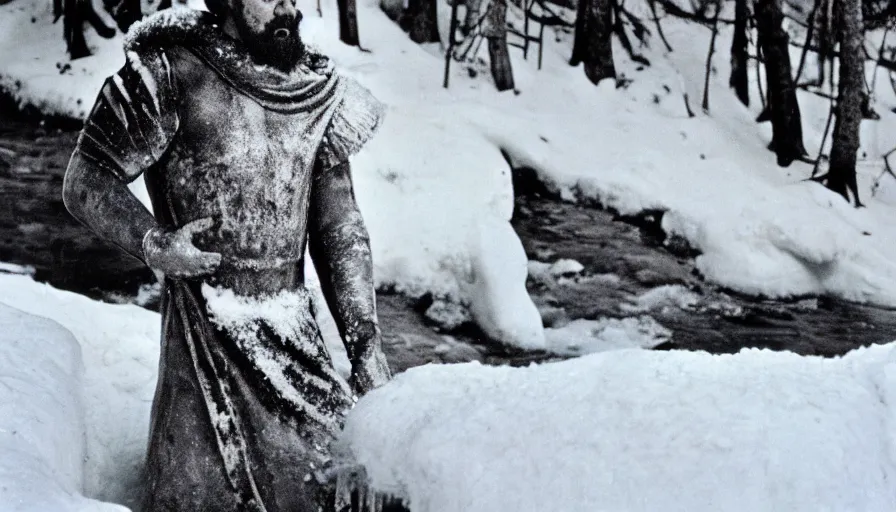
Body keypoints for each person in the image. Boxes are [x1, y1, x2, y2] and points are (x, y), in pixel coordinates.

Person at [61, 0, 392, 509]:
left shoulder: (314, 91)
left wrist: (364, 344)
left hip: (294, 341)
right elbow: (86, 179)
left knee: (352, 485)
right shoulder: (170, 72)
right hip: (205, 340)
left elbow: (339, 228)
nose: (287, 8)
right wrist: (156, 243)